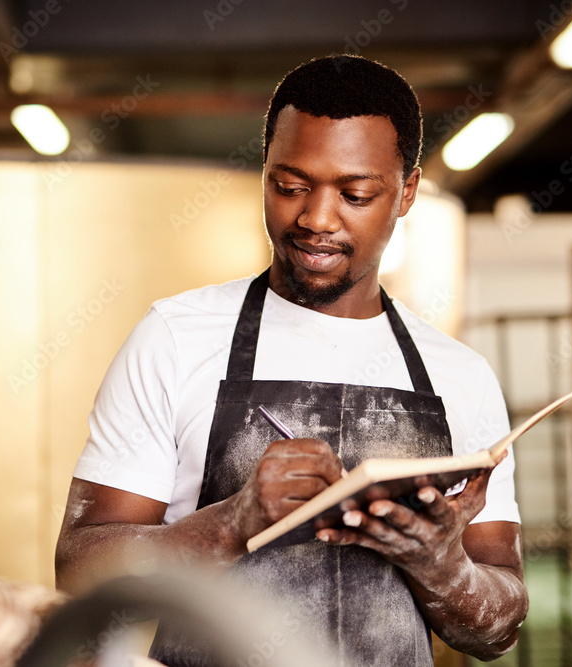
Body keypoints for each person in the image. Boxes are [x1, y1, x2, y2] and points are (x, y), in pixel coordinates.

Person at [55, 55, 528, 666]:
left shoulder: (459, 375)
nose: (316, 219)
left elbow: (500, 627)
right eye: (290, 186)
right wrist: (231, 524)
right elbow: (80, 574)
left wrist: (440, 567)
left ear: (406, 191)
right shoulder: (176, 337)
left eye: (355, 193)